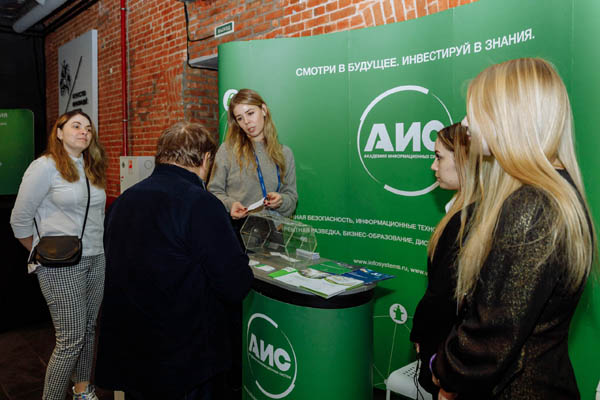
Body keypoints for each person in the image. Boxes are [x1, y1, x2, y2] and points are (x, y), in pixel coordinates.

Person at [431, 58, 596, 399]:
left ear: (509, 116)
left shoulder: (532, 206)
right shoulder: (549, 194)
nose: (466, 123)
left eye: (476, 111)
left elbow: (492, 335)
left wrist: (441, 368)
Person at [95, 122, 253, 400]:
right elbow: (234, 284)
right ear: (206, 159)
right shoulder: (201, 204)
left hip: (132, 351)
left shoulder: (123, 201)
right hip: (183, 361)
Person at [10, 110, 107, 400]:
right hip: (60, 264)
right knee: (71, 339)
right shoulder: (44, 167)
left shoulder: (91, 167)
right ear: (59, 132)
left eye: (88, 128)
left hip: (96, 257)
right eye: (76, 126)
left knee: (88, 330)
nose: (84, 132)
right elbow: (19, 220)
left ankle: (82, 390)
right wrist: (40, 252)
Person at [410, 123, 471, 398]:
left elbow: (444, 295)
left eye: (439, 157)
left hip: (452, 356)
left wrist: (422, 334)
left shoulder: (465, 221)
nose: (433, 166)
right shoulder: (458, 212)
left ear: (464, 160)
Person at [208, 88, 298, 233]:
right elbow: (213, 192)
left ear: (264, 110)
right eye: (240, 118)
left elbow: (292, 199)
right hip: (236, 233)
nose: (246, 122)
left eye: (250, 113)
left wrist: (281, 200)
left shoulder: (284, 153)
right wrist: (230, 205)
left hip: (272, 235)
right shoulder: (227, 150)